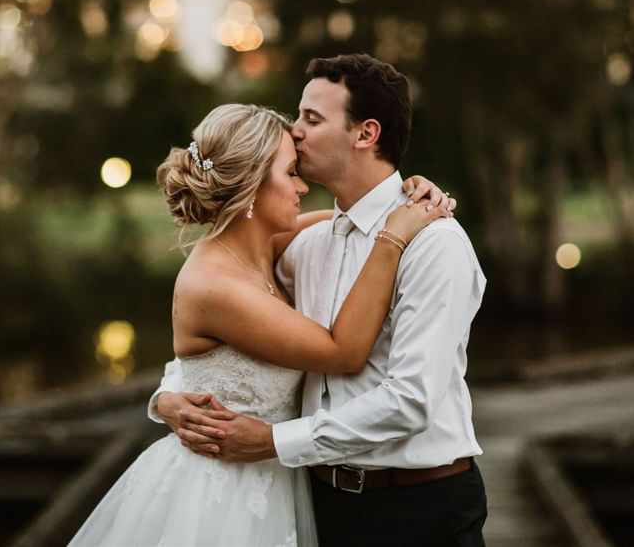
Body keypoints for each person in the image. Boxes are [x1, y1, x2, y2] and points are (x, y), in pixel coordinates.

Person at [68, 102, 452, 547]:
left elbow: (353, 220)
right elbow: (343, 352)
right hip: (220, 497)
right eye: (291, 172)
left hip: (277, 482)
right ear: (250, 185)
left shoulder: (265, 245)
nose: (302, 186)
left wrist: (408, 195)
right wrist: (392, 240)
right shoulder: (215, 284)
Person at [156, 54, 487, 547]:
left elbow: (411, 400)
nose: (295, 130)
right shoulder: (304, 246)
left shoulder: (432, 243)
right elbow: (227, 335)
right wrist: (166, 398)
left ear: (365, 134)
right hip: (319, 506)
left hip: (419, 509)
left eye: (312, 118)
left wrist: (273, 441)